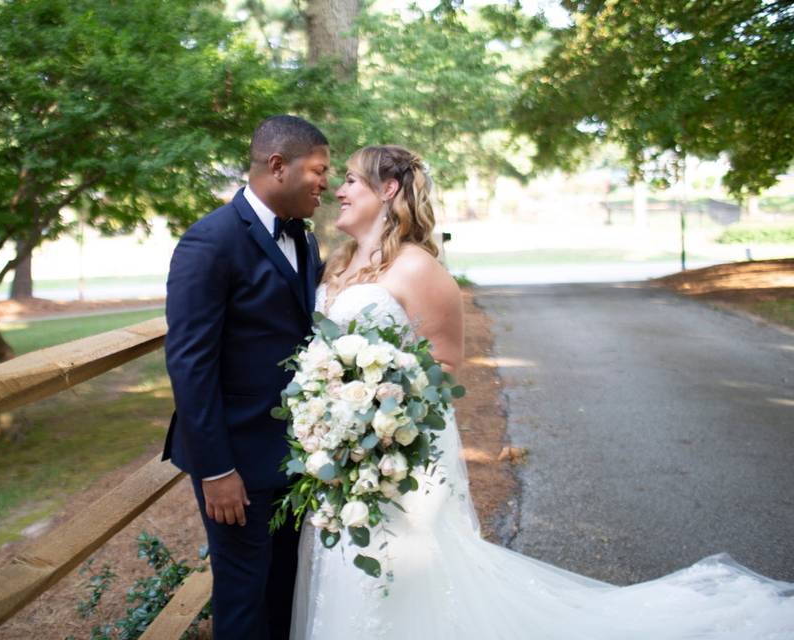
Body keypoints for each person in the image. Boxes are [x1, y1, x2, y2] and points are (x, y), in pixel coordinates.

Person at [290, 144, 794, 639]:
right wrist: (329, 417)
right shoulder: (337, 263)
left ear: (389, 188)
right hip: (341, 451)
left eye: (352, 179)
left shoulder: (419, 268)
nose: (340, 189)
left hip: (393, 452)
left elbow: (443, 364)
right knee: (346, 562)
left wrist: (377, 416)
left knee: (400, 568)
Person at [164, 114, 329, 639]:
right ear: (278, 166)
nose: (326, 182)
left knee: (286, 588)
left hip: (293, 452)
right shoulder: (208, 242)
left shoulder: (305, 239)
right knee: (242, 599)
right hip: (234, 464)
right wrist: (215, 471)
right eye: (319, 170)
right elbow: (190, 363)